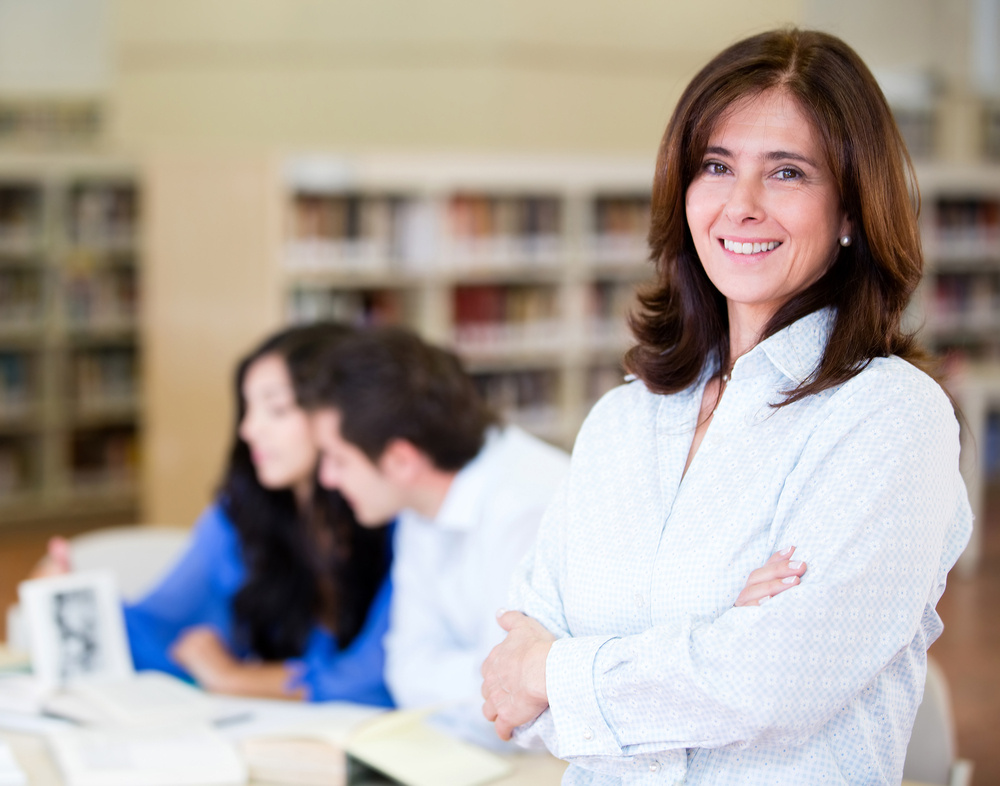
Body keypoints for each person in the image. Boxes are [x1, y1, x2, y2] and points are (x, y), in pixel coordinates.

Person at [481, 27, 973, 785]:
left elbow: (776, 682)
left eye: (786, 172)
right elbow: (515, 682)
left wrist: (563, 672)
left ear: (851, 211)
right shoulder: (625, 419)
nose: (741, 206)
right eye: (716, 166)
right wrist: (712, 639)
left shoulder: (890, 417)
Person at [299, 325, 805, 743]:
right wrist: (520, 678)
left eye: (337, 459)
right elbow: (414, 669)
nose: (327, 479)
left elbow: (522, 700)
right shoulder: (414, 507)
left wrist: (531, 678)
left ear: (402, 460)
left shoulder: (527, 501)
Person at [35, 322, 394, 705]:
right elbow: (161, 631)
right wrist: (73, 603)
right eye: (247, 409)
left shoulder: (399, 518)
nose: (249, 429)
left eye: (277, 410)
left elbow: (380, 681)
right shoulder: (241, 514)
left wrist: (236, 678)